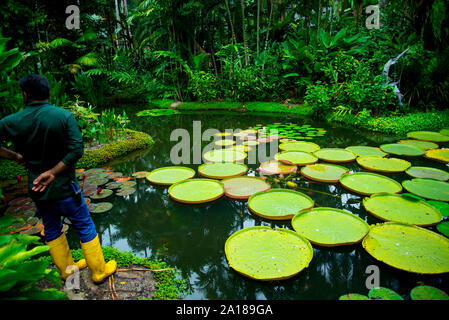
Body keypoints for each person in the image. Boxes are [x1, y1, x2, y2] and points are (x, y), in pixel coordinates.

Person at [0, 74, 116, 283]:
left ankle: (67, 271)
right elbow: (76, 150)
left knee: (51, 226)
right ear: (49, 93)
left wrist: (15, 157)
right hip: (64, 187)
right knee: (84, 224)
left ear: (25, 95)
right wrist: (53, 172)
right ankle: (99, 271)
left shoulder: (12, 121)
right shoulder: (63, 116)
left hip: (37, 189)